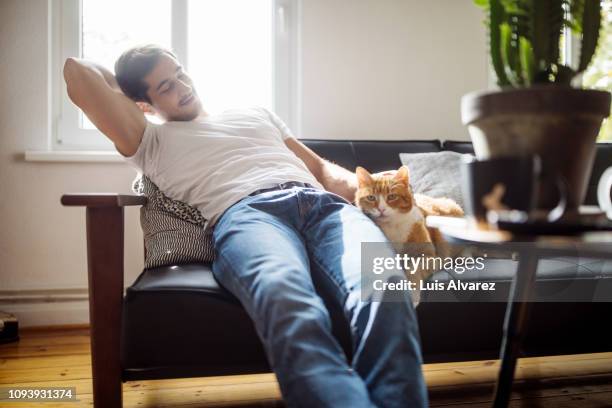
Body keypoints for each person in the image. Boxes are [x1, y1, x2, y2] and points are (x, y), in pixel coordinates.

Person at [63, 44, 427, 408]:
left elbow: (321, 171)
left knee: (386, 285)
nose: (182, 87)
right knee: (285, 299)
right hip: (249, 216)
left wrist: (377, 191)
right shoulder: (149, 141)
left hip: (324, 207)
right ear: (142, 105)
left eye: (179, 73)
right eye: (165, 87)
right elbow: (78, 74)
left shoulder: (255, 113)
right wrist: (124, 88)